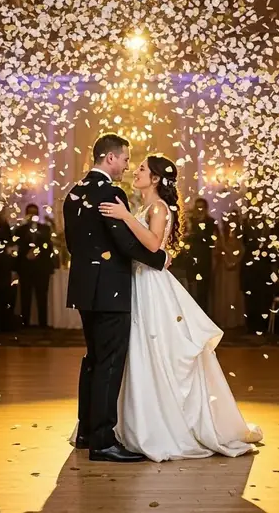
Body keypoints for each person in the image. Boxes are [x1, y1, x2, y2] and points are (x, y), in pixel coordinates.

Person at [96, 153, 262, 462]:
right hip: (138, 282)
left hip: (151, 286)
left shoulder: (156, 208)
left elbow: (153, 245)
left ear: (156, 178)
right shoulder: (144, 207)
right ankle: (135, 422)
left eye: (142, 169)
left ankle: (165, 426)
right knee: (139, 350)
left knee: (156, 348)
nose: (136, 172)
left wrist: (126, 217)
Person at [63, 134, 169, 463]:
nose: (126, 165)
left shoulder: (74, 193)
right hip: (111, 290)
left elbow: (72, 244)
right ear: (110, 158)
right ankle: (103, 441)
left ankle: (85, 431)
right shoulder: (110, 193)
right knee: (109, 364)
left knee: (92, 360)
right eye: (124, 159)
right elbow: (124, 243)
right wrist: (159, 259)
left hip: (84, 288)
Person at [14, 204, 55, 328]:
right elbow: (17, 246)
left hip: (41, 267)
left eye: (35, 213)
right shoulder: (20, 230)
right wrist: (26, 254)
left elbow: (48, 246)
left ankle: (43, 323)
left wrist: (36, 252)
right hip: (25, 267)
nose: (33, 215)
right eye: (30, 213)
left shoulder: (45, 229)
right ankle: (24, 323)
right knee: (25, 296)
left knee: (42, 296)